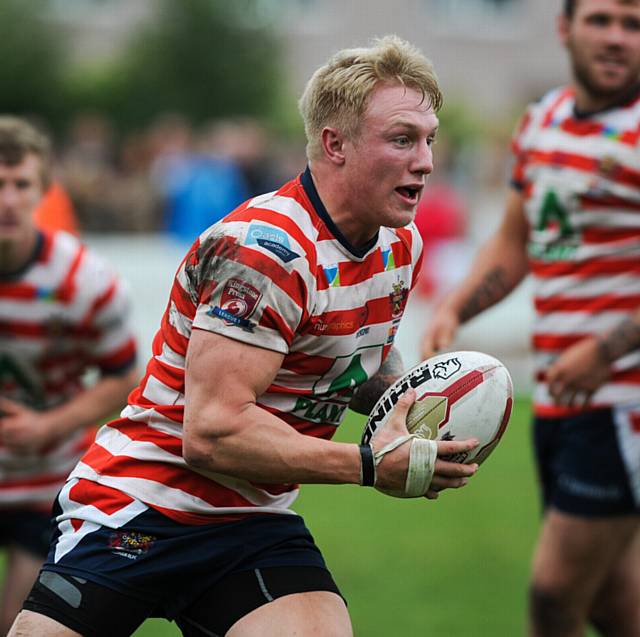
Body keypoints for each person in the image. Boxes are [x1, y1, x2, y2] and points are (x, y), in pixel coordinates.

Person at [10, 36, 479, 637]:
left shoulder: (399, 243)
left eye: (429, 138)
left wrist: (416, 402)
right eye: (402, 139)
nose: (426, 161)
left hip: (251, 521)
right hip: (142, 502)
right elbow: (212, 432)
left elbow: (355, 355)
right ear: (335, 144)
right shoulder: (266, 252)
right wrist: (367, 464)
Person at [421, 2, 640, 635]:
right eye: (602, 19)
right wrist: (458, 305)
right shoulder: (542, 121)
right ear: (564, 27)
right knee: (610, 602)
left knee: (554, 596)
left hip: (623, 401)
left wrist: (606, 351)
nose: (618, 38)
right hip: (560, 395)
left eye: (634, 24)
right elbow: (516, 243)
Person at [0, 116, 139, 635]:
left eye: (20, 185)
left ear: (43, 190)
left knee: (17, 625)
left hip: (46, 480)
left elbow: (126, 375)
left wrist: (50, 424)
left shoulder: (82, 280)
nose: (8, 200)